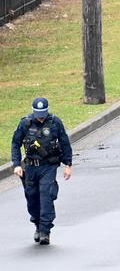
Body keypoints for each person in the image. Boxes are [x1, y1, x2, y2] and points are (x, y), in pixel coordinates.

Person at [11, 97, 73, 245]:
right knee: (32, 198)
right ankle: (38, 225)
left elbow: (64, 142)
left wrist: (68, 165)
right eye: (38, 113)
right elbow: (15, 143)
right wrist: (16, 164)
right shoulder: (25, 123)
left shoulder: (54, 122)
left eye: (43, 113)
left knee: (46, 195)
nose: (40, 116)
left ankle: (45, 231)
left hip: (48, 166)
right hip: (31, 167)